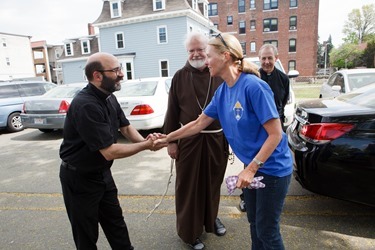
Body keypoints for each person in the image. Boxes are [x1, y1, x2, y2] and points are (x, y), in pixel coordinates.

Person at [155, 33, 292, 250]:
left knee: (267, 230)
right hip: (254, 167)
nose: (205, 60)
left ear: (225, 56)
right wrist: (167, 138)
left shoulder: (254, 87)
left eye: (209, 55)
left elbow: (276, 134)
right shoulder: (223, 91)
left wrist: (251, 169)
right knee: (255, 224)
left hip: (271, 169)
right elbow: (198, 123)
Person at [59, 52, 165, 250]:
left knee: (116, 224)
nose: (122, 74)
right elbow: (109, 151)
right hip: (79, 180)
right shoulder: (86, 105)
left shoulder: (109, 98)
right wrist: (146, 146)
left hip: (102, 175)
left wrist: (146, 140)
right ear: (98, 76)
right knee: (86, 236)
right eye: (116, 70)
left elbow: (125, 127)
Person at [163, 31, 229, 250]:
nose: (196, 53)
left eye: (200, 49)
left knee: (212, 183)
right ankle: (189, 232)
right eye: (191, 50)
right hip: (189, 142)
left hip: (216, 139)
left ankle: (210, 219)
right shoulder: (180, 77)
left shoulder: (219, 73)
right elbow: (172, 111)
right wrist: (171, 141)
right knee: (189, 187)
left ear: (208, 49)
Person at [239, 43, 291, 212]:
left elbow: (281, 104)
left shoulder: (283, 79)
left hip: (274, 128)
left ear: (276, 58)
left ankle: (271, 196)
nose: (267, 61)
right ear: (259, 59)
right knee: (251, 162)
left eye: (270, 58)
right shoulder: (253, 77)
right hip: (256, 131)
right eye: (263, 58)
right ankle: (246, 197)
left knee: (272, 165)